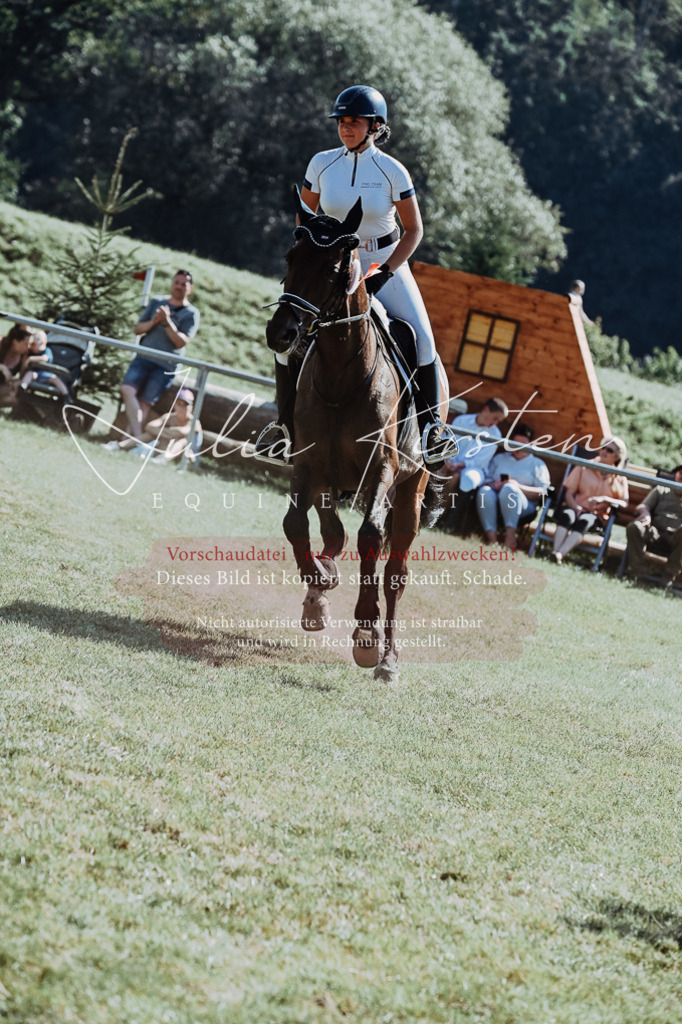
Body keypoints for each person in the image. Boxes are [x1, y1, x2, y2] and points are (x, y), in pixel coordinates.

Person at [261, 84, 458, 467]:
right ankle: (283, 427)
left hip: (383, 258)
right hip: (334, 265)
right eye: (342, 122)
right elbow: (304, 214)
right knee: (286, 334)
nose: (345, 128)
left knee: (423, 339)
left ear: (375, 126)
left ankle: (433, 430)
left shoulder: (391, 170)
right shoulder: (321, 163)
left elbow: (414, 229)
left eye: (354, 122)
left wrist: (385, 272)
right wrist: (315, 248)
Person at [120, 270, 199, 440]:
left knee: (145, 403)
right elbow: (138, 329)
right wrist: (154, 321)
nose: (178, 287)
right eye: (176, 282)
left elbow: (180, 342)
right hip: (144, 357)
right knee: (127, 389)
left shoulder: (191, 313)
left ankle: (128, 439)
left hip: (166, 365)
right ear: (172, 283)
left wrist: (167, 323)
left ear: (190, 288)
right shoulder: (157, 301)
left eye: (183, 284)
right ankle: (137, 436)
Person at [551, 438, 629, 563]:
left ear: (617, 457)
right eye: (603, 447)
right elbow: (569, 492)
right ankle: (555, 552)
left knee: (585, 520)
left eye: (609, 450)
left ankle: (559, 554)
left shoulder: (620, 478)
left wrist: (606, 500)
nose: (604, 451)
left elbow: (624, 502)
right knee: (567, 515)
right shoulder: (585, 466)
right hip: (574, 506)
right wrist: (576, 508)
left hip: (596, 515)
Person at [477, 423, 550, 548]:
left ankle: (510, 538)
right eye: (515, 444)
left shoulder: (537, 464)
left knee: (509, 489)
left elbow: (543, 492)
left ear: (530, 444)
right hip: (495, 498)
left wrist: (517, 487)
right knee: (484, 491)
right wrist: (495, 484)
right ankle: (492, 540)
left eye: (522, 445)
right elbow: (485, 479)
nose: (518, 448)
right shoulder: (500, 458)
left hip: (525, 505)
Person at [104, 388, 200, 463]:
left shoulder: (194, 422)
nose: (182, 408)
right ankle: (118, 446)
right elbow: (150, 426)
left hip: (187, 454)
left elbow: (182, 432)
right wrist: (165, 433)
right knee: (149, 435)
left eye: (185, 405)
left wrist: (160, 432)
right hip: (167, 444)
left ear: (191, 407)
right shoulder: (170, 417)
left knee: (183, 440)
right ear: (175, 405)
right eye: (179, 404)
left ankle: (164, 459)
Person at [626, 464, 682, 590]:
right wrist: (645, 513)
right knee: (634, 527)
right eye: (680, 472)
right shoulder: (661, 489)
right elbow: (643, 506)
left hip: (676, 539)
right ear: (676, 474)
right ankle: (638, 573)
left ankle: (668, 578)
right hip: (655, 533)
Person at [19, 329, 71, 401]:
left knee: (55, 378)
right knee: (29, 374)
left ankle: (66, 395)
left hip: (46, 374)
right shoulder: (30, 353)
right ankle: (22, 387)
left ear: (42, 343)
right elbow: (24, 366)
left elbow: (45, 358)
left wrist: (30, 359)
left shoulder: (47, 350)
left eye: (35, 343)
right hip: (35, 374)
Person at [0, 323, 33, 405]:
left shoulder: (24, 356)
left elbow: (21, 377)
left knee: (12, 395)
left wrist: (16, 382)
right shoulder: (1, 343)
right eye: (25, 344)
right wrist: (2, 368)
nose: (28, 347)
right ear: (15, 342)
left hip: (2, 385)